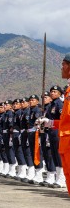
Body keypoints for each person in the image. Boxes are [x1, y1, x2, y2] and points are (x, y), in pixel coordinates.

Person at [39, 53, 70, 193]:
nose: (61, 67)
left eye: (64, 64)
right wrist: (50, 123)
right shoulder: (68, 91)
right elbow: (65, 121)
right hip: (64, 140)